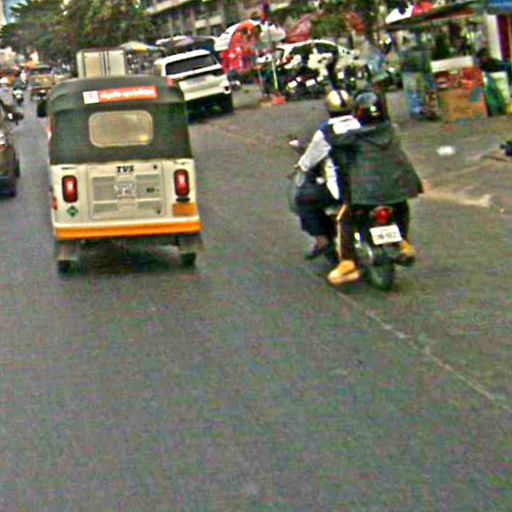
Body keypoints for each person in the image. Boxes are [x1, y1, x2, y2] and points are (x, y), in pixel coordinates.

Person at [295, 89, 361, 266]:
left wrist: (300, 166)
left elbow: (308, 161)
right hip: (369, 183)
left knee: (303, 199)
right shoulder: (362, 125)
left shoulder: (326, 132)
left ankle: (323, 242)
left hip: (340, 189)